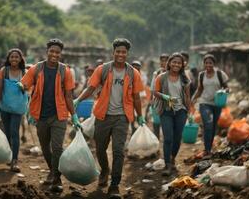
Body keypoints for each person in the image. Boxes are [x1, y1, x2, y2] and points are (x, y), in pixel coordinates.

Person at [74, 38, 145, 199]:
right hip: (103, 116)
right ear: (113, 52)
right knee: (100, 149)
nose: (120, 54)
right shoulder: (103, 69)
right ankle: (105, 170)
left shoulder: (133, 73)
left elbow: (136, 97)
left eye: (123, 52)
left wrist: (140, 116)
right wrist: (78, 99)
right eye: (118, 51)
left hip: (122, 117)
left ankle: (114, 185)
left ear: (127, 54)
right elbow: (91, 87)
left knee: (119, 151)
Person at [20, 38, 81, 193]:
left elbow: (68, 95)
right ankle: (52, 170)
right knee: (45, 148)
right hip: (40, 115)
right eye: (52, 51)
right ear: (47, 52)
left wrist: (73, 115)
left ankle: (57, 179)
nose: (54, 54)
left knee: (57, 147)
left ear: (61, 54)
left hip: (59, 115)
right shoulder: (37, 68)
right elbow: (24, 83)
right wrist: (20, 86)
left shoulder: (65, 71)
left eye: (57, 52)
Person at [154, 52, 191, 176]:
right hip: (166, 111)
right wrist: (166, 97)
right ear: (169, 63)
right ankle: (167, 165)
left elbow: (187, 96)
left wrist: (189, 111)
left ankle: (173, 157)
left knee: (177, 138)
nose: (176, 64)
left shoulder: (184, 78)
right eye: (174, 62)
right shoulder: (162, 77)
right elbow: (155, 92)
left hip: (181, 111)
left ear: (182, 65)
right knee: (168, 138)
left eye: (179, 63)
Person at [0, 48, 27, 173]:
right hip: (5, 107)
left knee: (14, 132)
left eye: (16, 57)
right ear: (8, 59)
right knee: (7, 132)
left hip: (18, 108)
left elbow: (29, 89)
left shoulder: (24, 72)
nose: (14, 59)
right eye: (12, 57)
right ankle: (9, 156)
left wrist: (23, 86)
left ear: (20, 59)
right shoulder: (4, 71)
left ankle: (15, 160)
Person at [191, 54, 229, 159]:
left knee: (213, 127)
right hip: (204, 103)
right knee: (208, 124)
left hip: (217, 103)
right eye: (206, 63)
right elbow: (199, 89)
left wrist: (224, 91)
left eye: (210, 63)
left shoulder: (220, 74)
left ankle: (209, 148)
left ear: (214, 64)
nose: (208, 65)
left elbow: (226, 87)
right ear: (204, 64)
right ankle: (207, 150)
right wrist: (193, 99)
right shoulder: (201, 75)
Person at [149, 53, 169, 140]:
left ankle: (167, 141)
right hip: (157, 100)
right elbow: (153, 88)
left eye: (166, 61)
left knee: (167, 123)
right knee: (156, 122)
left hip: (169, 101)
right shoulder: (156, 73)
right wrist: (151, 100)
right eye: (162, 61)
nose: (164, 63)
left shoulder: (172, 73)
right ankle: (156, 140)